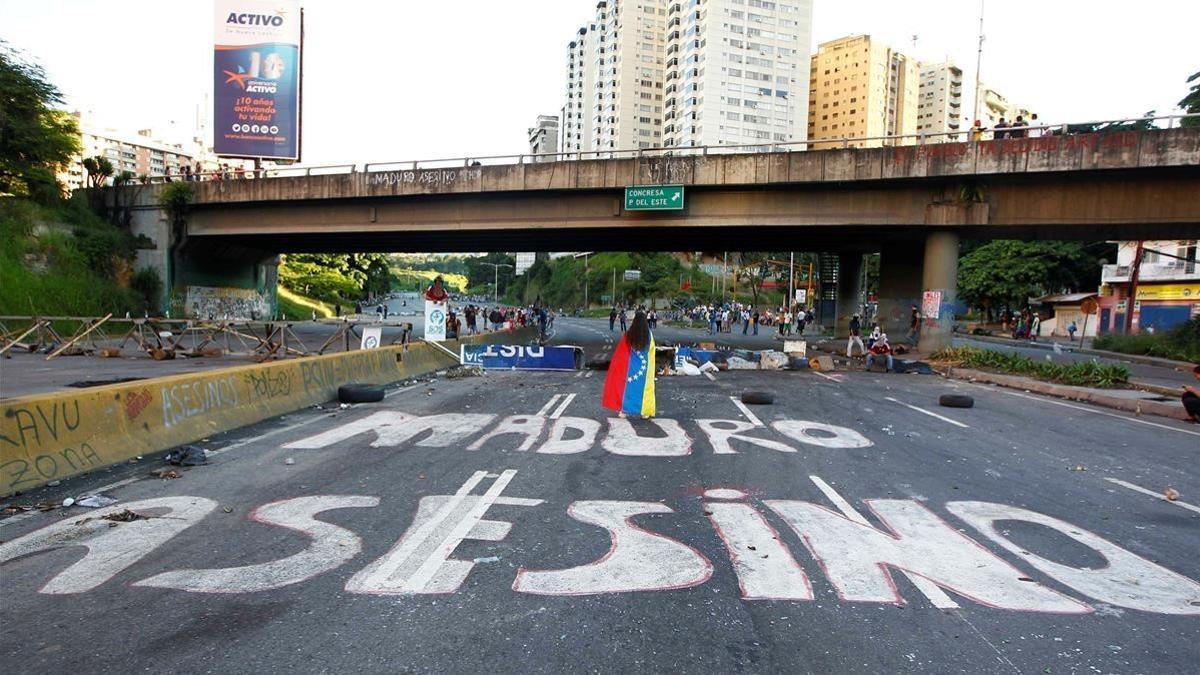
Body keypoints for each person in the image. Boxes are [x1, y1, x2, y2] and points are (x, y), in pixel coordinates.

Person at [602, 310, 656, 419]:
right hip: (644, 369)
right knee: (645, 389)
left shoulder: (629, 334)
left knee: (627, 389)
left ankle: (624, 411)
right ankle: (645, 411)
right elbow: (651, 352)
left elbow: (621, 352)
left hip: (629, 368)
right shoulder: (649, 335)